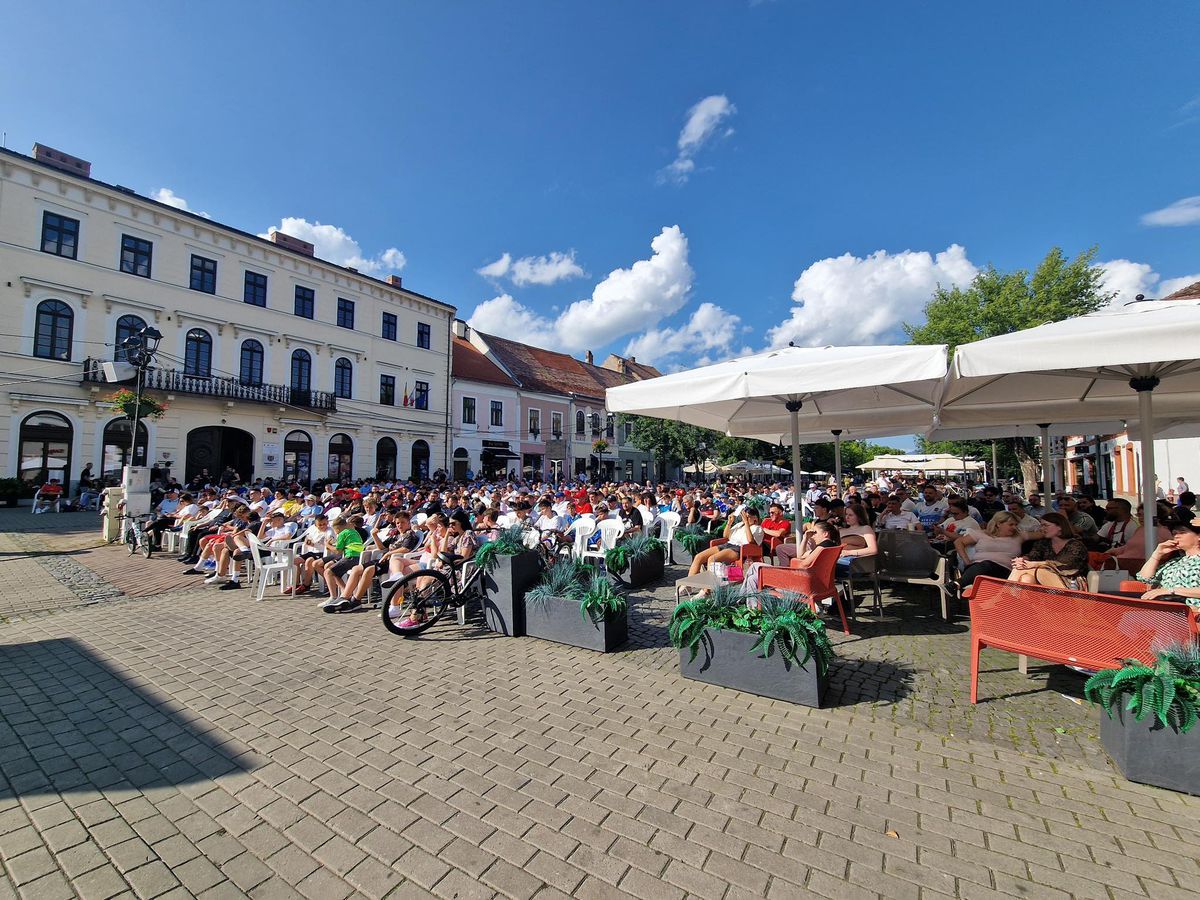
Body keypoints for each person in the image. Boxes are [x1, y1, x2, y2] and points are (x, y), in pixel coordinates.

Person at [1007, 511, 1089, 590]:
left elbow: (1065, 565)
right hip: (1043, 577)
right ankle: (1017, 602)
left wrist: (1034, 564)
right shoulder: (1043, 543)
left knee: (1038, 571)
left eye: (1046, 525)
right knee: (1026, 578)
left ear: (1060, 527)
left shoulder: (1075, 545)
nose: (1042, 529)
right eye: (1041, 525)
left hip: (1070, 582)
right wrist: (1023, 560)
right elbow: (1033, 556)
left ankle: (1004, 598)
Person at [954, 512, 1025, 590]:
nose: (1014, 527)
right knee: (983, 565)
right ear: (998, 524)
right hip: (977, 568)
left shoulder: (1019, 536)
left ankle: (955, 585)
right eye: (1011, 524)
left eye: (1016, 525)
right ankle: (956, 585)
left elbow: (1040, 533)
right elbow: (958, 542)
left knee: (987, 564)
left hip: (1003, 571)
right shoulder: (982, 534)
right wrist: (966, 561)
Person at [1135, 521, 1200, 602]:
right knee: (1117, 598)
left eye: (1182, 532)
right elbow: (1144, 578)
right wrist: (1157, 554)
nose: (1176, 536)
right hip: (1163, 605)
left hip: (1187, 608)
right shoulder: (1174, 562)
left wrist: (1169, 590)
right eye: (1174, 533)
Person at [687, 508, 762, 576]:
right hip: (728, 544)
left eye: (748, 517)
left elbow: (750, 540)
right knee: (699, 557)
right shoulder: (739, 525)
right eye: (744, 517)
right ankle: (688, 586)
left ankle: (707, 589)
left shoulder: (757, 528)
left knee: (712, 559)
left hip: (740, 549)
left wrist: (746, 523)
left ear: (755, 518)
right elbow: (725, 536)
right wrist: (729, 522)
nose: (745, 519)